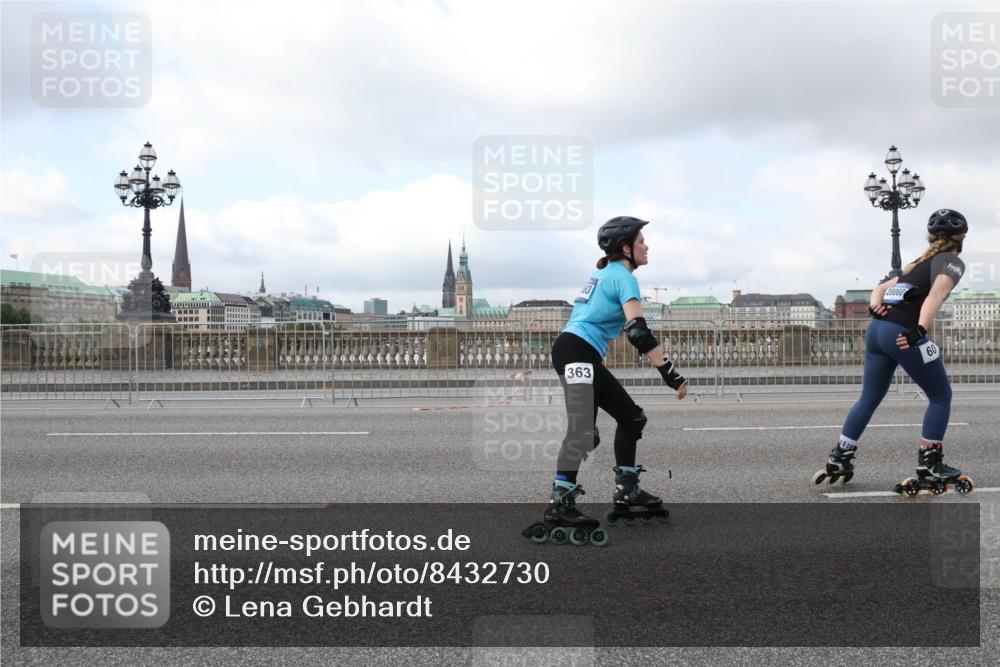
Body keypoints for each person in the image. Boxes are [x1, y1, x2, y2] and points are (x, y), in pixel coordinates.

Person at [526, 216, 689, 545]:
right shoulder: (623, 277)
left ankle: (627, 490)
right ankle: (561, 503)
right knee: (583, 431)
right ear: (626, 248)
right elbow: (638, 332)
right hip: (576, 352)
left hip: (577, 351)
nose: (647, 246)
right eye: (641, 241)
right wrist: (670, 373)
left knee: (632, 418)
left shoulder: (603, 274)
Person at [812, 208, 971, 491]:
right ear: (961, 238)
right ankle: (929, 463)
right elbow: (938, 293)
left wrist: (875, 305)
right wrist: (920, 330)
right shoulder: (952, 262)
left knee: (869, 398)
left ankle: (841, 457)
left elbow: (881, 287)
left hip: (877, 331)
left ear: (931, 237)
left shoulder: (918, 264)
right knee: (940, 396)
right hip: (903, 333)